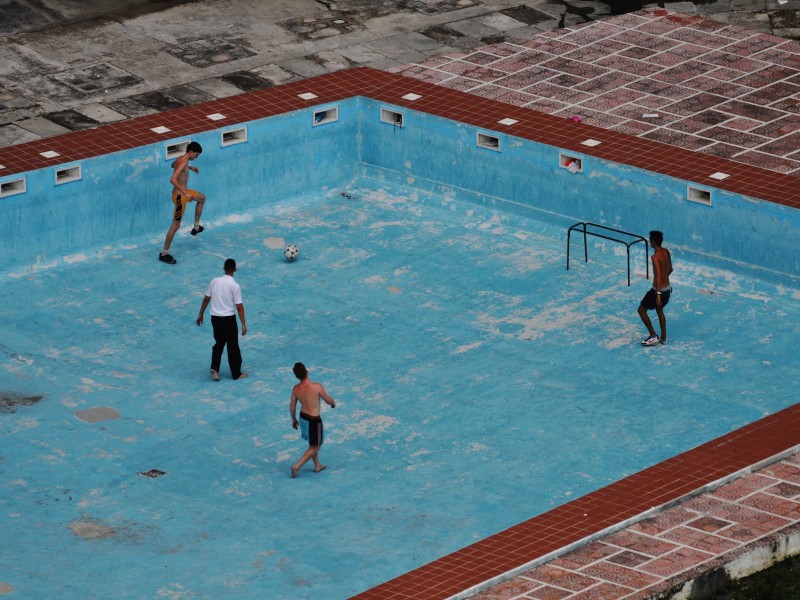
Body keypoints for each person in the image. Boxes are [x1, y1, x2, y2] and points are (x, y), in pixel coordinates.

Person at [196, 258, 248, 380]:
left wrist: (200, 314)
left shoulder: (214, 281)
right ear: (235, 270)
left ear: (224, 268)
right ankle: (236, 373)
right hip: (229, 320)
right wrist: (243, 324)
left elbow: (206, 298)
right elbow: (239, 307)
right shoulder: (234, 286)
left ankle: (215, 367)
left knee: (219, 343)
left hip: (215, 318)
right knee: (232, 346)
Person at [159, 141, 206, 264]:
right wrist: (185, 193)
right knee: (176, 225)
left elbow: (172, 165)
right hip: (180, 197)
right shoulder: (184, 161)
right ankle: (164, 253)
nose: (197, 157)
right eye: (196, 155)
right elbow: (172, 179)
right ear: (190, 152)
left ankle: (196, 226)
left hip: (183, 193)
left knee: (202, 198)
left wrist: (188, 168)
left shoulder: (181, 159)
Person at [289, 362, 336, 478]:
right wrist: (333, 403)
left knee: (312, 442)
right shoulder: (317, 387)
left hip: (303, 418)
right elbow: (327, 399)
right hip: (314, 421)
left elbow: (292, 405)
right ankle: (297, 466)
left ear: (296, 376)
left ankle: (317, 465)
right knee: (316, 446)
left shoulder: (296, 389)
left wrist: (294, 419)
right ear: (307, 371)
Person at [638, 230, 673, 346]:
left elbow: (657, 275)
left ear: (653, 242)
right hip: (667, 289)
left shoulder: (655, 257)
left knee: (641, 310)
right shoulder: (666, 252)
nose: (649, 241)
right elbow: (670, 270)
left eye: (650, 240)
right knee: (660, 311)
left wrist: (658, 294)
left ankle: (653, 336)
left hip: (658, 292)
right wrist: (664, 280)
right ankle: (663, 339)